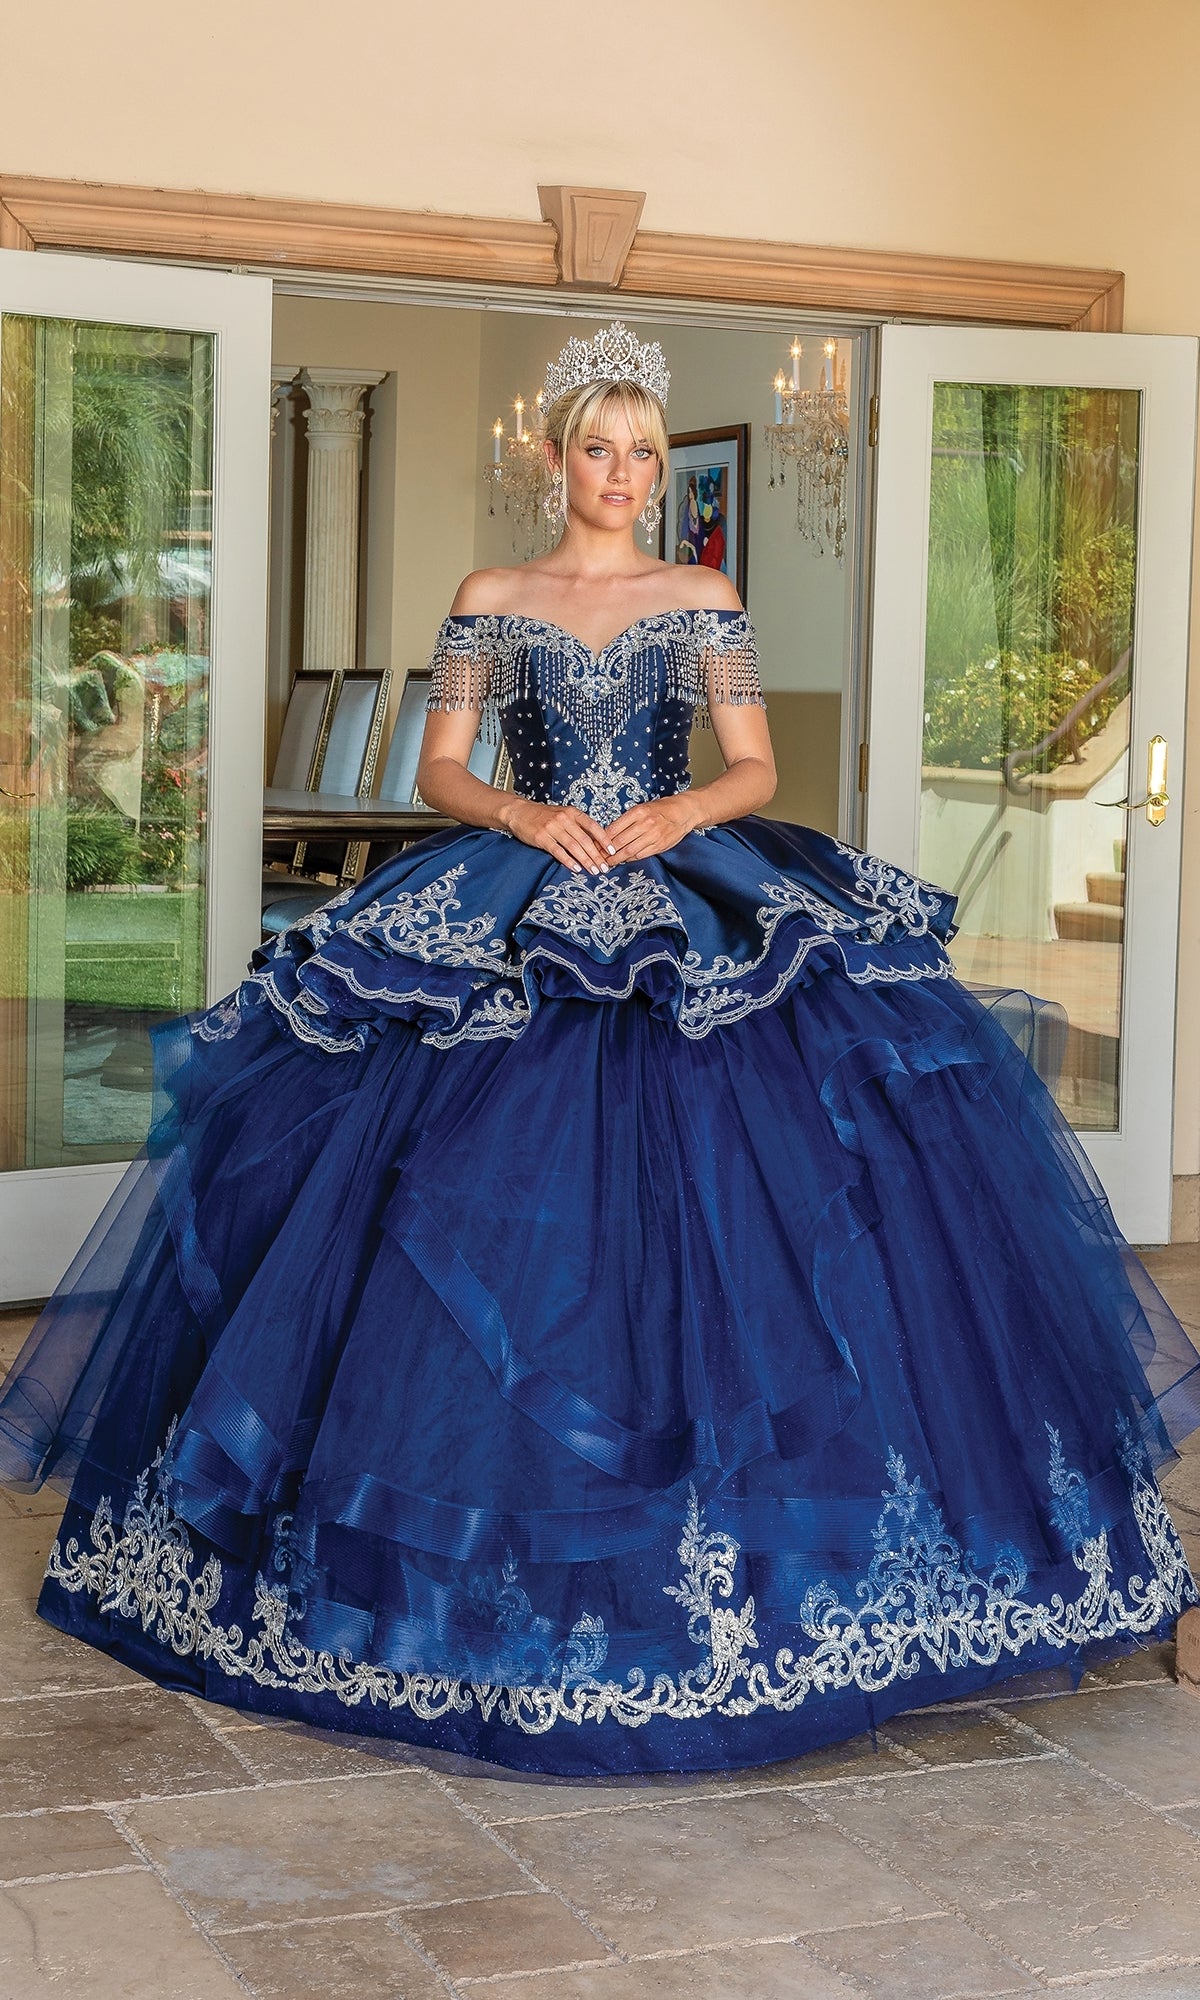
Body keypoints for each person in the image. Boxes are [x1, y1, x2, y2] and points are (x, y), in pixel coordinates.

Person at [2, 320, 1198, 1781]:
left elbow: (751, 763)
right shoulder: (491, 596)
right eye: (598, 448)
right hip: (523, 874)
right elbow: (443, 765)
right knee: (453, 1190)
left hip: (679, 872)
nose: (623, 472)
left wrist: (678, 820)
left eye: (642, 450)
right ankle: (453, 1561)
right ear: (554, 455)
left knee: (758, 1194)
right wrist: (525, 819)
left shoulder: (702, 594)